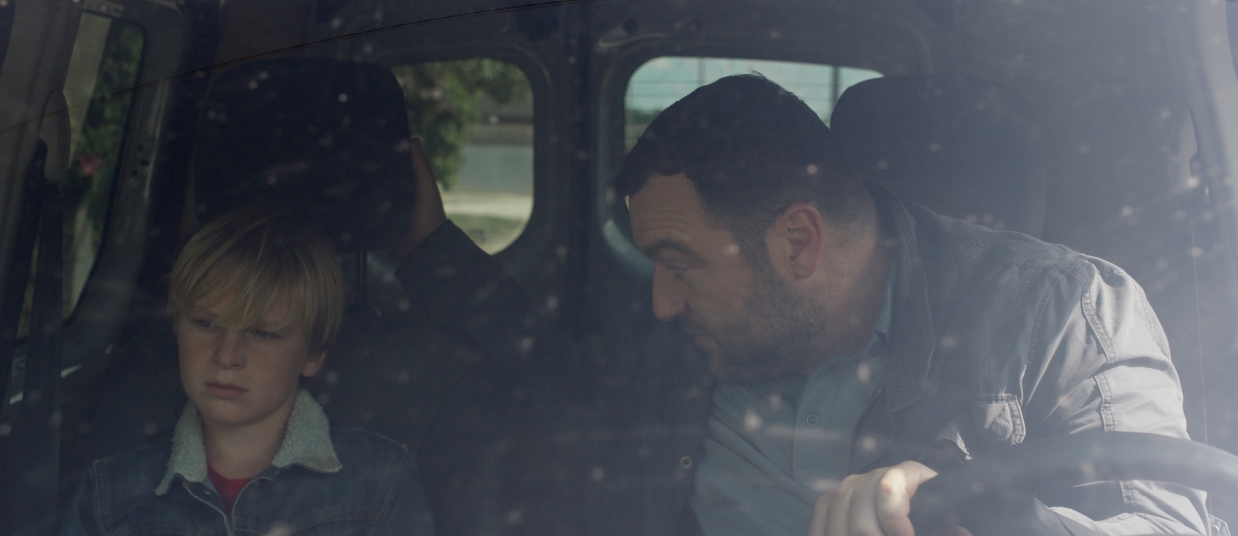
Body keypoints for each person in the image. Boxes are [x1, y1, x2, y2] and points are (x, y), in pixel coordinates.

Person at [393, 75, 1214, 535]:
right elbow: (542, 356)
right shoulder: (676, 345)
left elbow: (1170, 523)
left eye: (679, 264)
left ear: (797, 242)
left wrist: (980, 514)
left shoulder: (1061, 312)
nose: (661, 301)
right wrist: (423, 241)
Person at [61, 204, 434, 536]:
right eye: (206, 324)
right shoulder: (113, 492)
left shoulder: (378, 483)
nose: (227, 356)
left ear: (314, 354)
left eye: (262, 333)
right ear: (177, 330)